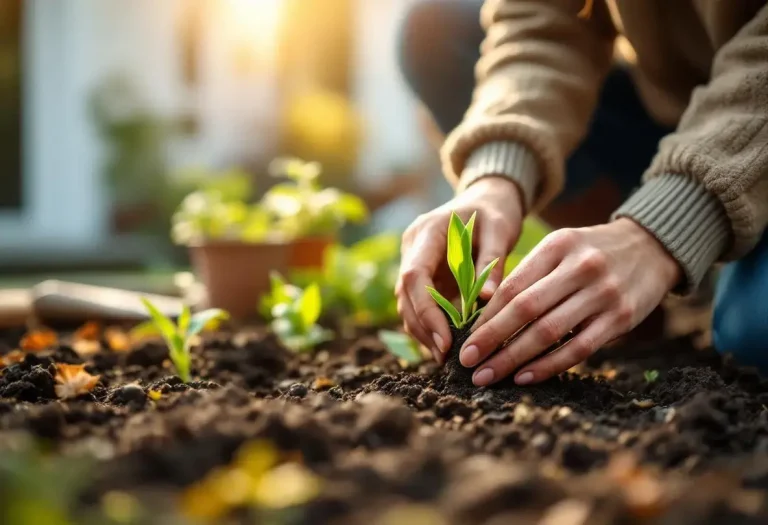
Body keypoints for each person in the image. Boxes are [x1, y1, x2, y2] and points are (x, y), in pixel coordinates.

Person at [395, 0, 768, 386]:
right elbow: (541, 19)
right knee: (433, 31)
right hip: (659, 111)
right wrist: (497, 174)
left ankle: (655, 268)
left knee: (756, 336)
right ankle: (612, 297)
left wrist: (665, 227)